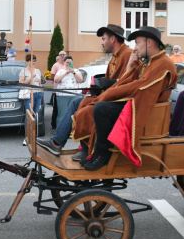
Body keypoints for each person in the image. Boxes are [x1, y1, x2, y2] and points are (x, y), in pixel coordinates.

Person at [71, 26, 176, 171]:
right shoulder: (150, 61)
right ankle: (92, 151)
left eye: (137, 43)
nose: (135, 48)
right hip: (137, 102)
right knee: (89, 103)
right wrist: (131, 67)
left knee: (101, 109)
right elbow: (128, 82)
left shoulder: (163, 63)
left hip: (146, 109)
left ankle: (103, 154)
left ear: (149, 43)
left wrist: (108, 94)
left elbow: (140, 86)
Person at [37, 24, 132, 161]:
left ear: (112, 39)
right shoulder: (116, 56)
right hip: (108, 97)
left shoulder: (127, 55)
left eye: (104, 39)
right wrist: (100, 86)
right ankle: (57, 142)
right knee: (76, 101)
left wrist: (107, 84)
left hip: (116, 102)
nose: (102, 42)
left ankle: (87, 148)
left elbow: (126, 82)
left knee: (85, 109)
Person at [53, 55, 84, 124]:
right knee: (62, 114)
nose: (69, 64)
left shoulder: (76, 71)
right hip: (63, 96)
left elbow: (80, 80)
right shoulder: (61, 71)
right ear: (64, 62)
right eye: (67, 62)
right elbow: (56, 80)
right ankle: (61, 129)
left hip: (75, 95)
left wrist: (73, 72)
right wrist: (66, 72)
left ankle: (73, 129)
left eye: (70, 62)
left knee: (75, 113)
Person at [18, 53, 44, 118]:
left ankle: (36, 124)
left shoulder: (38, 71)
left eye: (35, 61)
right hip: (29, 94)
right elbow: (21, 83)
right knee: (29, 113)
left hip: (38, 93)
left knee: (37, 113)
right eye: (32, 60)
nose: (33, 62)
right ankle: (29, 124)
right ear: (28, 61)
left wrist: (40, 82)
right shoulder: (23, 71)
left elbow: (41, 82)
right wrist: (30, 78)